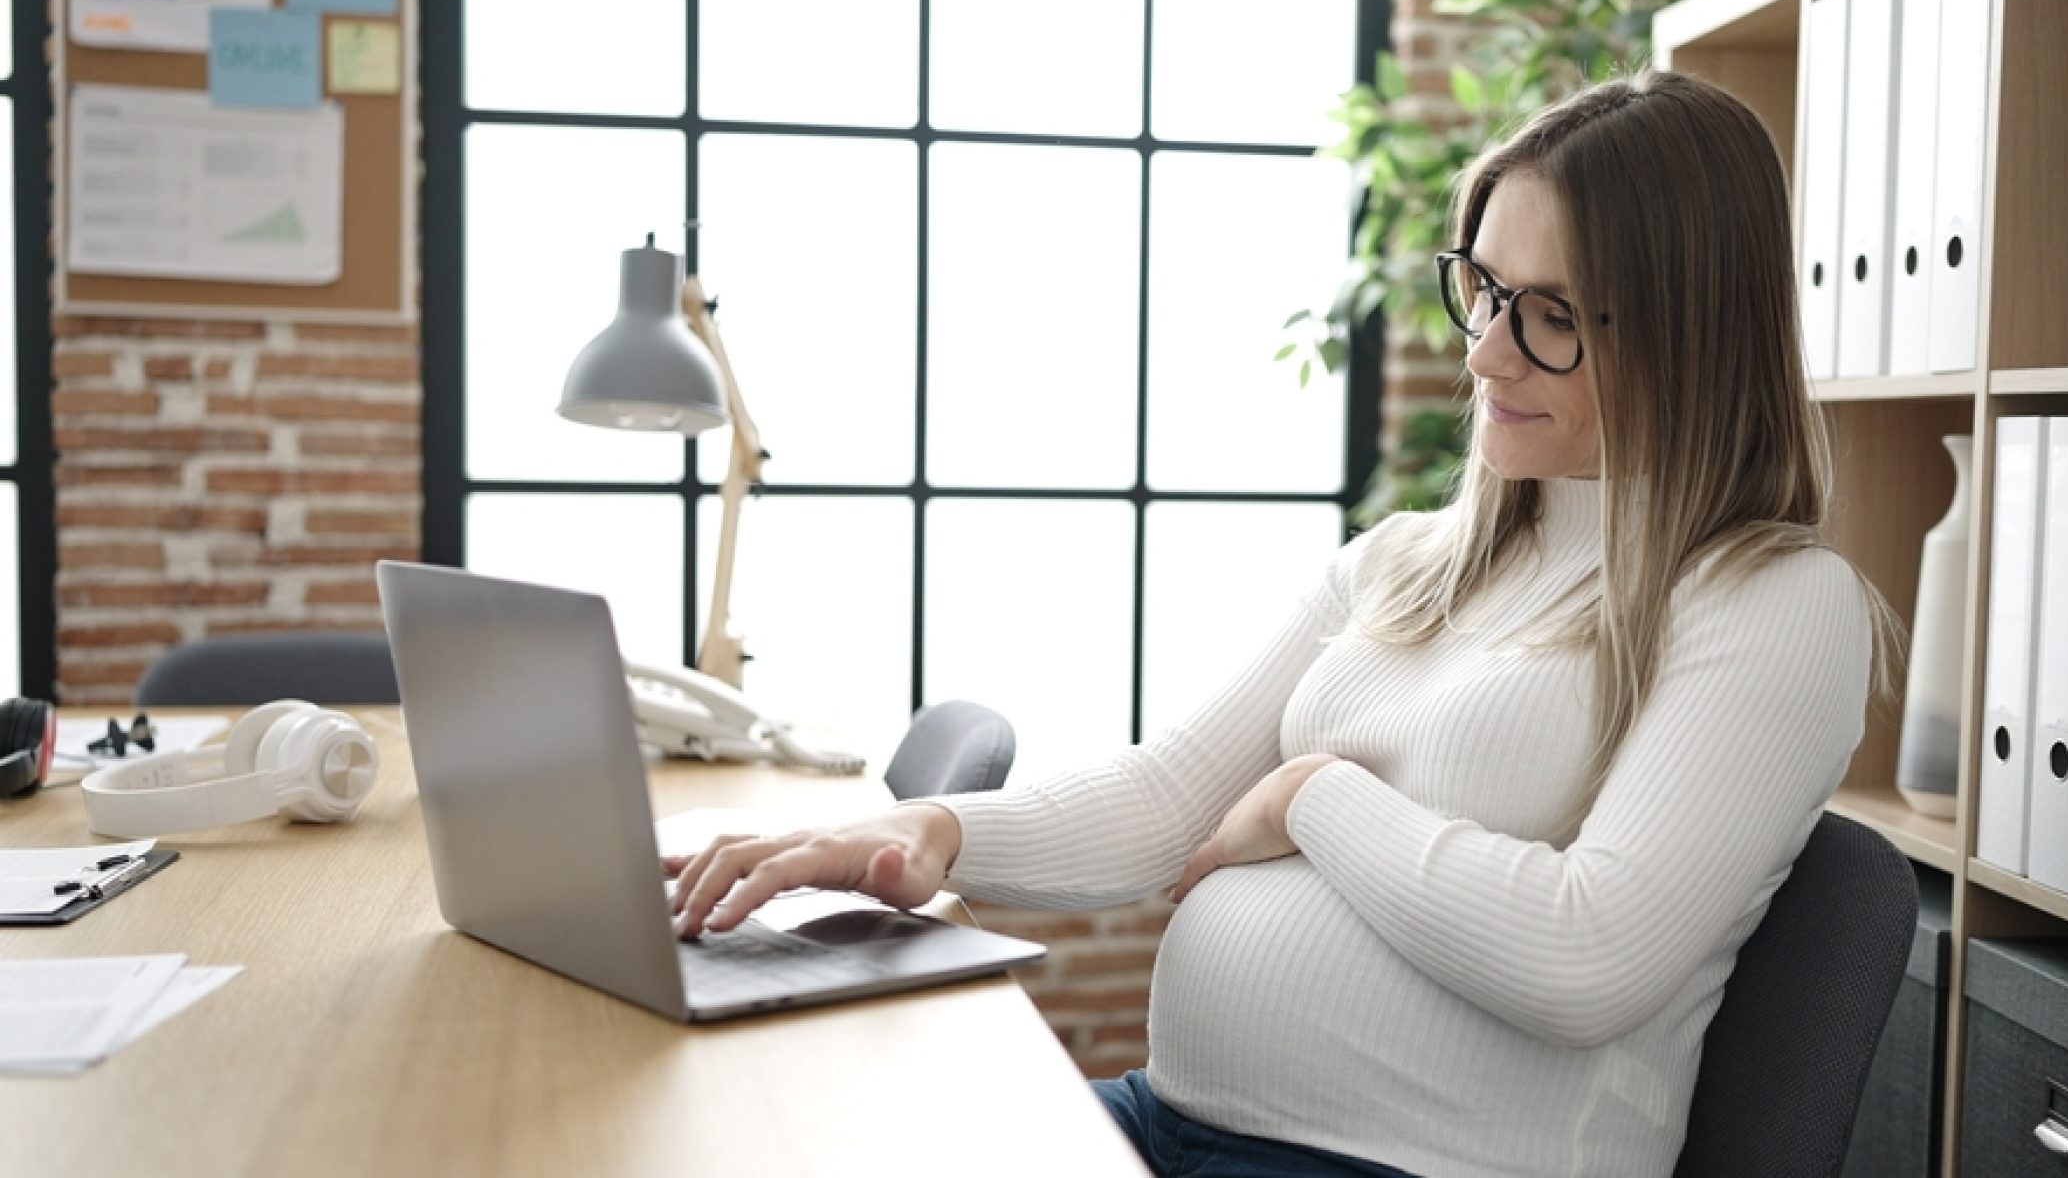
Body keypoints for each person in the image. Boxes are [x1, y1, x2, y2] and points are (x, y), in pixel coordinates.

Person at [665, 68, 1895, 1178]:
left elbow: (1584, 958)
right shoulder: (1409, 561)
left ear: (1694, 331)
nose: (1485, 357)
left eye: (1553, 315)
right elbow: (1165, 799)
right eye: (1483, 290)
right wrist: (921, 828)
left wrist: (1311, 796)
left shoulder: (1772, 603)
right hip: (1169, 1120)